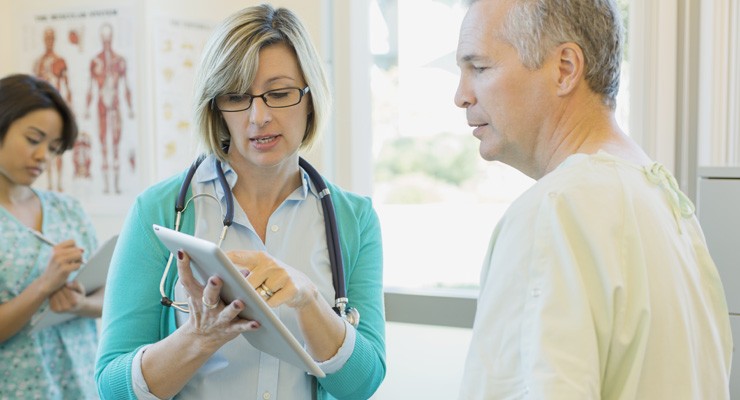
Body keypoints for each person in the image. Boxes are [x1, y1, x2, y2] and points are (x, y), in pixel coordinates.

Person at [95, 4, 386, 400]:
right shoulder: (160, 211)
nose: (258, 116)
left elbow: (362, 384)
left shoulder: (354, 219)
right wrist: (198, 338)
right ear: (216, 106)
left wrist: (308, 298)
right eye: (236, 96)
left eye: (279, 93)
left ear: (311, 97)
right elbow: (112, 387)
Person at [454, 0, 732, 398]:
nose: (461, 96)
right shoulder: (665, 203)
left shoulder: (556, 210)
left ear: (565, 68)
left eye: (479, 68)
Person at [0, 73, 104, 399]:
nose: (43, 156)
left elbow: (109, 294)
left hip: (82, 382)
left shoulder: (68, 210)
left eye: (54, 148)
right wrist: (44, 286)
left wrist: (80, 303)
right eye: (33, 140)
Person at [84, 22, 135, 195]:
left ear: (112, 37)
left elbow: (126, 86)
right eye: (103, 38)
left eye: (108, 37)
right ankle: (106, 186)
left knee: (115, 144)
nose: (106, 41)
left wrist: (130, 108)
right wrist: (86, 108)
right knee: (103, 145)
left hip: (115, 106)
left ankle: (116, 185)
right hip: (101, 107)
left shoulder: (119, 61)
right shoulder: (95, 62)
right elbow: (90, 87)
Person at [33, 27, 72, 192]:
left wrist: (68, 109)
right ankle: (49, 183)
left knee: (57, 150)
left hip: (58, 112)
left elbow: (67, 85)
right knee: (45, 150)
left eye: (51, 38)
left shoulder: (60, 61)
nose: (49, 41)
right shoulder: (39, 62)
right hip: (42, 112)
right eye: (46, 38)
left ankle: (59, 184)